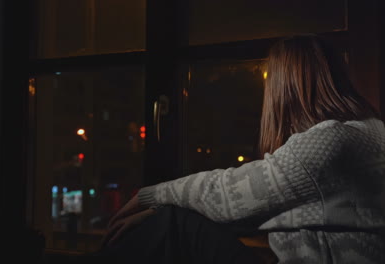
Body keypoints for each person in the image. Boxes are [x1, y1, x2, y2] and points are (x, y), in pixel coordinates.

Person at [95, 34, 385, 263]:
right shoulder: (371, 132)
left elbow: (229, 193)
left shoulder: (331, 142)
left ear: (287, 86)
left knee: (177, 224)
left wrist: (149, 196)